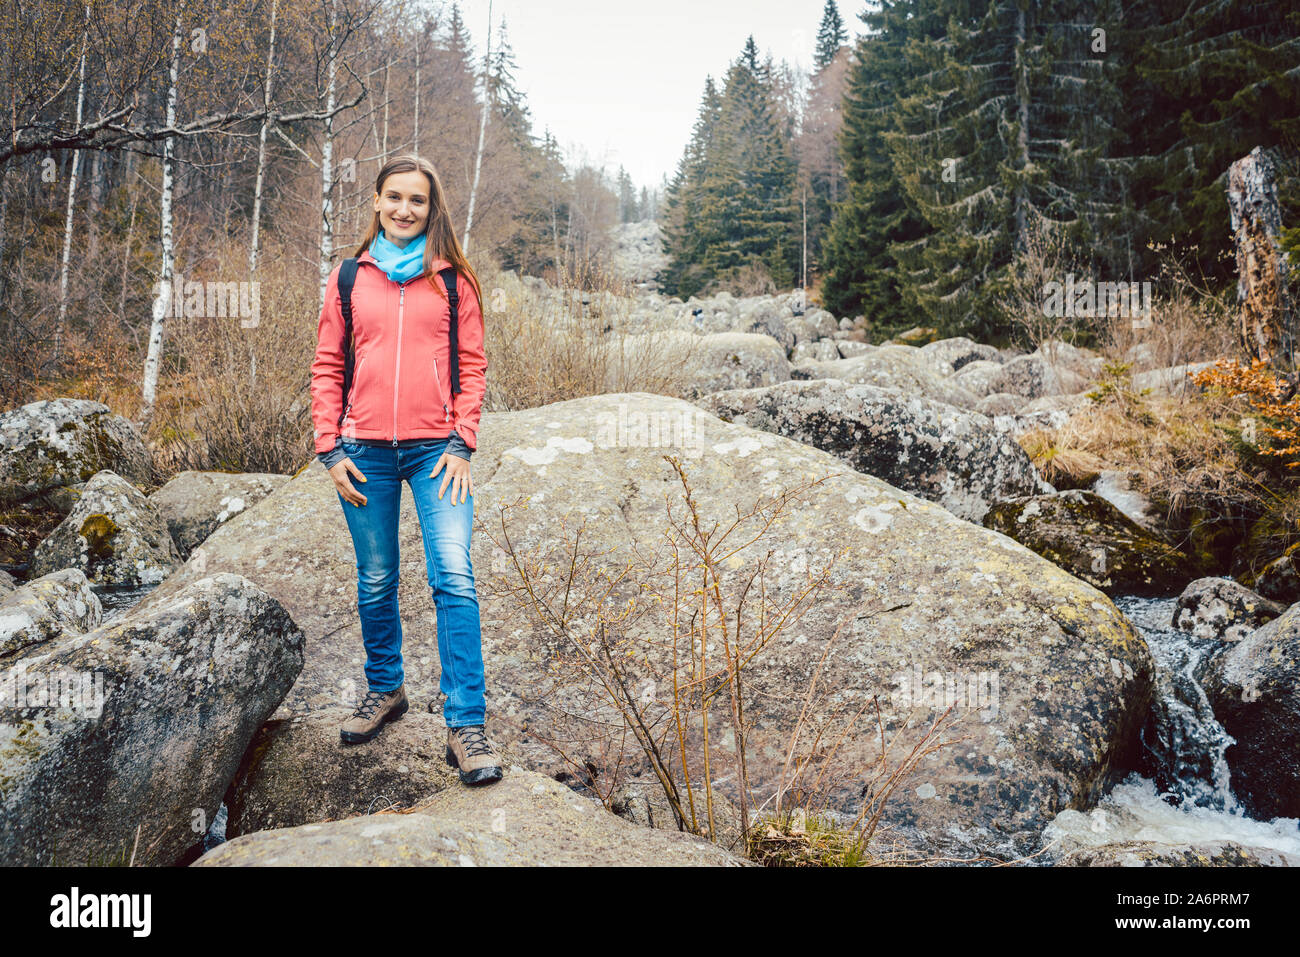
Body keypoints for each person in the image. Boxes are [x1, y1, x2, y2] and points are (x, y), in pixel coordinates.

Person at [309, 154, 501, 786]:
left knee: (454, 575)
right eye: (394, 197)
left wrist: (461, 442)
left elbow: (472, 368)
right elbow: (327, 368)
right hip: (363, 454)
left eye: (417, 201)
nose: (404, 210)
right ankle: (385, 691)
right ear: (375, 201)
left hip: (435, 454)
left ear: (431, 208)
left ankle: (465, 725)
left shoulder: (453, 282)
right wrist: (330, 449)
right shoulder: (347, 279)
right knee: (376, 576)